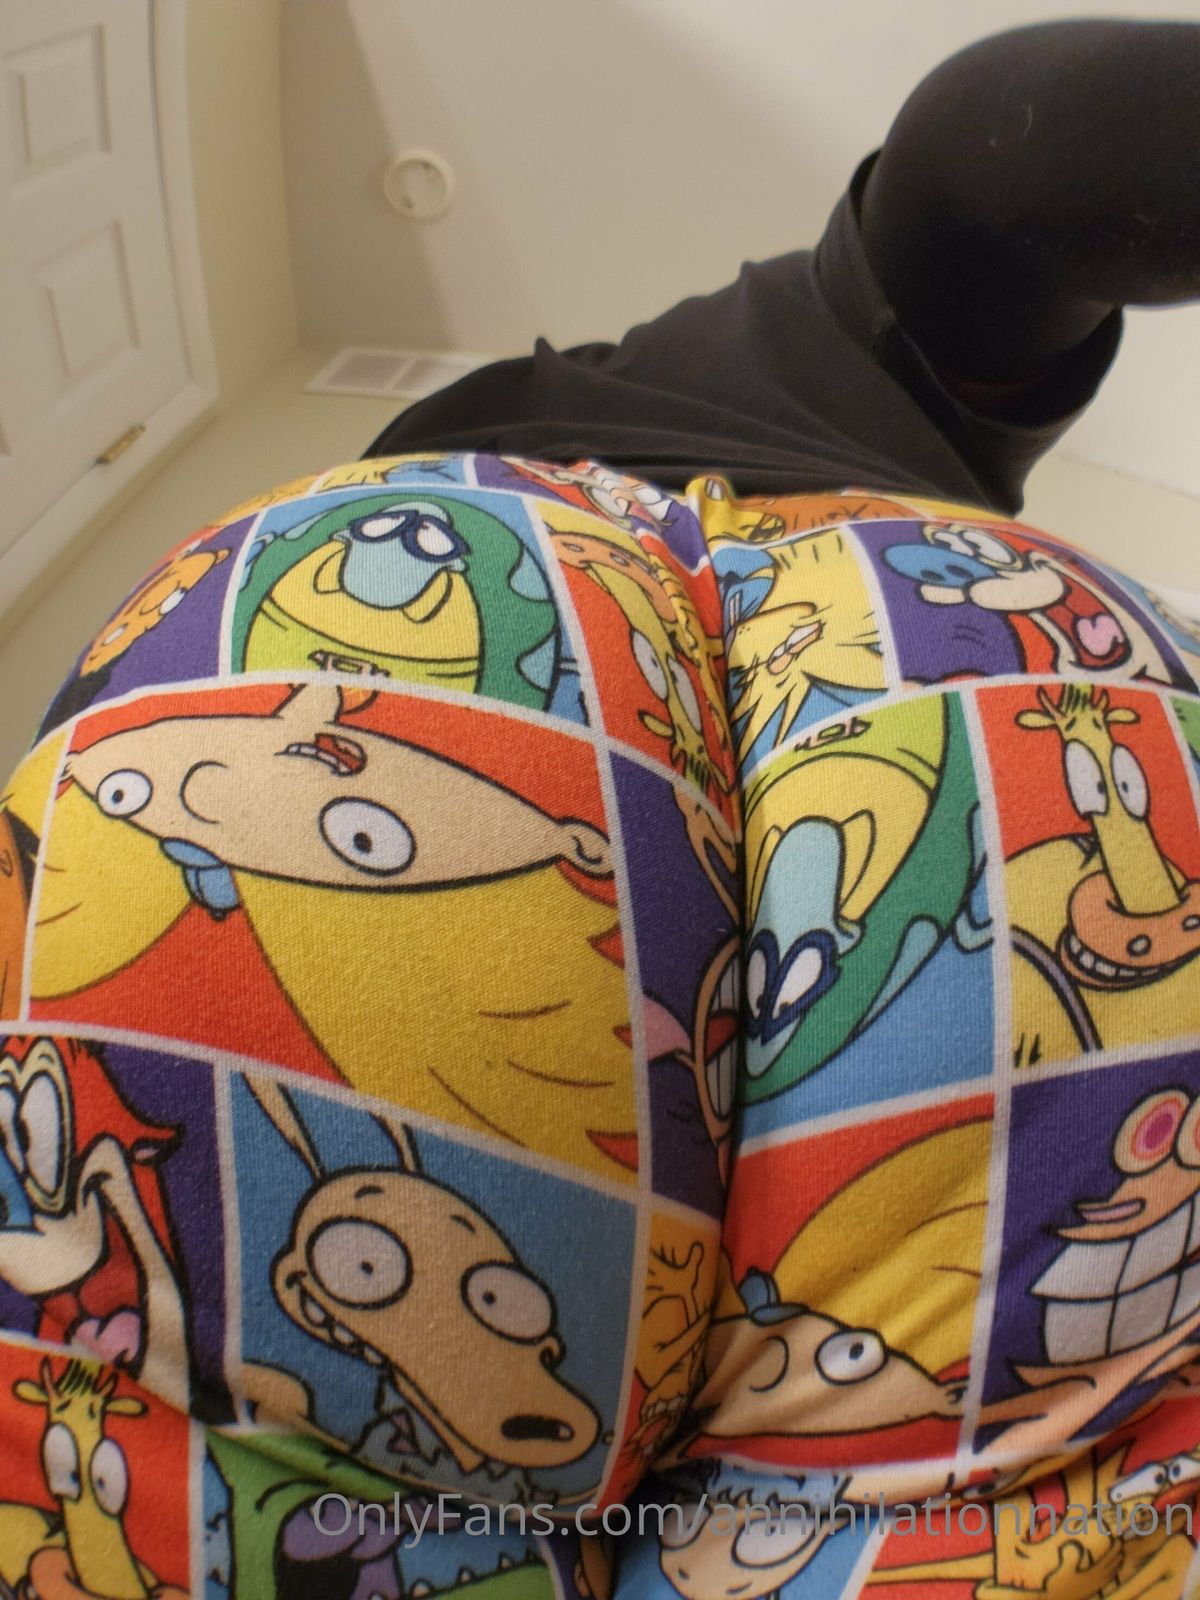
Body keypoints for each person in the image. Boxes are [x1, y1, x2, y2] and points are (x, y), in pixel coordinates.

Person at [0, 20, 1198, 1600]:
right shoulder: (833, 381)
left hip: (357, 697)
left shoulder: (710, 368)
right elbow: (1020, 162)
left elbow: (1011, 158)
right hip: (996, 718)